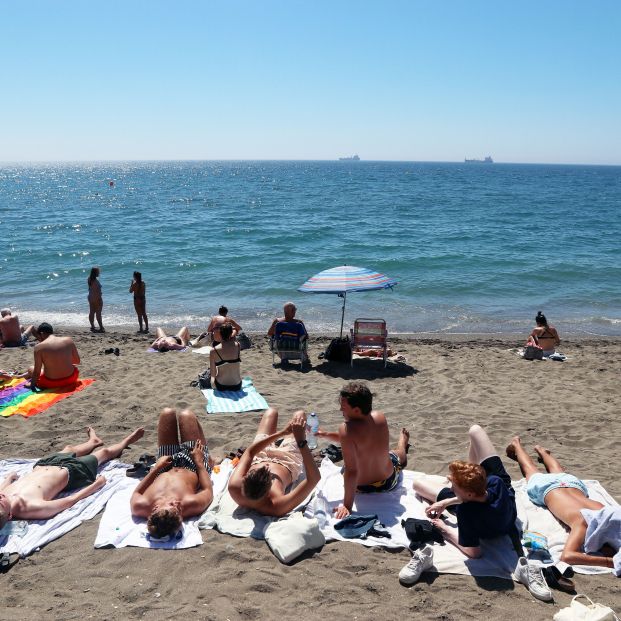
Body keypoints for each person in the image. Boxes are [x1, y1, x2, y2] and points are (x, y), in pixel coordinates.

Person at [402, 426, 553, 599]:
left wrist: (445, 529)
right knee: (475, 430)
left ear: (468, 494)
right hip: (501, 511)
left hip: (481, 513)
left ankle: (465, 481)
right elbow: (477, 497)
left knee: (418, 484)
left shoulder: (467, 513)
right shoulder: (495, 483)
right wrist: (448, 500)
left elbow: (474, 552)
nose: (450, 488)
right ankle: (468, 477)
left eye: (454, 488)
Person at [506, 436, 618, 571]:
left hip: (572, 484)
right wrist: (610, 562)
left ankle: (539, 451)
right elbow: (568, 556)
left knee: (556, 471)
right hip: (547, 488)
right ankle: (518, 445)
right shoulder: (583, 522)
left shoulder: (610, 513)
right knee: (531, 469)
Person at [0, 426, 144, 527]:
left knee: (69, 448)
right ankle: (126, 441)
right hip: (72, 471)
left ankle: (93, 442)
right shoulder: (30, 507)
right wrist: (96, 485)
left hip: (45, 464)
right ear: (10, 516)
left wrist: (8, 478)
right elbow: (70, 500)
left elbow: (3, 489)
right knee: (104, 453)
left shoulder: (2, 496)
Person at [316, 382, 410, 520]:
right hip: (388, 482)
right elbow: (351, 439)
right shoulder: (379, 417)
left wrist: (347, 505)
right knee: (396, 454)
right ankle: (403, 442)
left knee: (348, 467)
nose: (340, 410)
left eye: (343, 407)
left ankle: (402, 442)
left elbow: (352, 470)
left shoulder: (346, 428)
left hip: (361, 487)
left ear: (356, 410)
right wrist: (326, 435)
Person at [129, 408, 213, 539]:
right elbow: (207, 489)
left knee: (167, 413)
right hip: (192, 465)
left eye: (172, 505)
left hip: (164, 465)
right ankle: (209, 458)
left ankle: (207, 455)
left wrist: (156, 468)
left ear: (155, 509)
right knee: (187, 415)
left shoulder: (140, 506)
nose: (178, 505)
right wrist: (199, 462)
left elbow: (137, 493)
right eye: (179, 511)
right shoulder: (191, 505)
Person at [228, 408, 321, 517]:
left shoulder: (235, 487)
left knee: (271, 412)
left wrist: (282, 433)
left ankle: (282, 436)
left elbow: (250, 452)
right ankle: (288, 437)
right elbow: (314, 478)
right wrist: (301, 441)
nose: (267, 465)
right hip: (288, 460)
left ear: (244, 481)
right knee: (299, 416)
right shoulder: (277, 506)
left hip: (260, 455)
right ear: (268, 489)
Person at [18, 323, 81, 391]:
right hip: (71, 379)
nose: (39, 339)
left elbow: (37, 372)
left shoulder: (38, 347)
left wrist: (32, 385)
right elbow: (77, 361)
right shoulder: (69, 340)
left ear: (42, 333)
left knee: (31, 369)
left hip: (51, 383)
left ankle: (20, 376)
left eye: (39, 336)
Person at [209, 322, 242, 391]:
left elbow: (213, 373)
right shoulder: (238, 345)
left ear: (220, 334)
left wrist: (212, 384)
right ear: (231, 333)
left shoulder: (213, 350)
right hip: (237, 385)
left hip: (221, 385)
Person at [87, 267, 104, 333]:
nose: (99, 273)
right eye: (98, 272)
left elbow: (90, 289)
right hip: (97, 298)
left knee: (91, 312)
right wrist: (100, 299)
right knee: (98, 313)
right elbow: (98, 292)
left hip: (90, 297)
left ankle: (92, 326)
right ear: (95, 273)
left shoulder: (89, 279)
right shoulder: (96, 281)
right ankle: (101, 327)